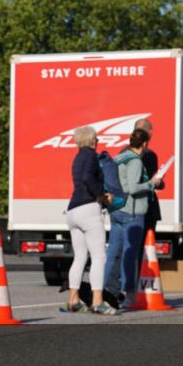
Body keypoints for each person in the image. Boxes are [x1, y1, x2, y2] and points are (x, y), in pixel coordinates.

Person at [105, 128, 163, 309]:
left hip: (117, 210)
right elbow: (132, 188)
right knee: (130, 254)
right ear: (145, 143)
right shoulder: (136, 161)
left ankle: (107, 291)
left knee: (113, 253)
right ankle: (127, 292)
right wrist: (152, 183)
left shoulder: (119, 157)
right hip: (132, 212)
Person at [63, 126, 113, 314]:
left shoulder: (77, 158)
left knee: (80, 257)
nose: (98, 142)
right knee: (99, 256)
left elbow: (81, 178)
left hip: (72, 210)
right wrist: (101, 195)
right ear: (92, 141)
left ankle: (73, 299)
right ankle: (98, 302)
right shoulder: (92, 156)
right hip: (88, 209)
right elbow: (87, 178)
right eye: (97, 139)